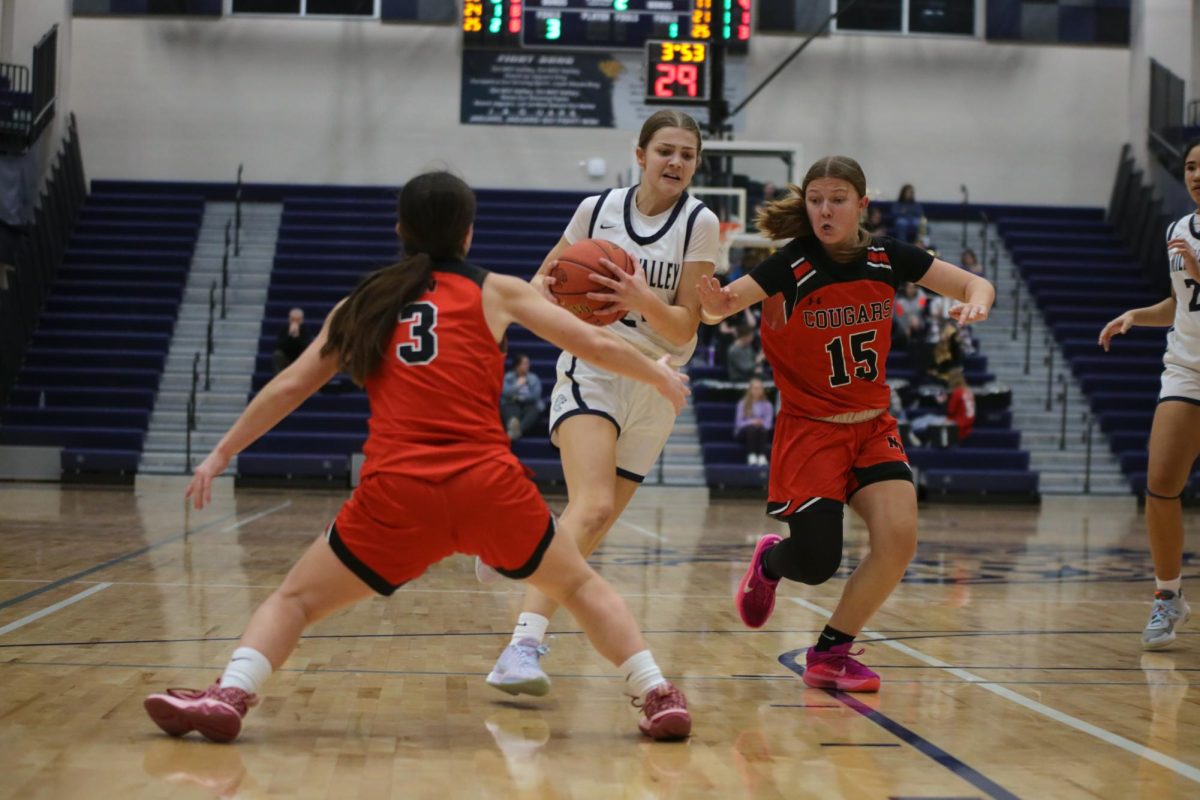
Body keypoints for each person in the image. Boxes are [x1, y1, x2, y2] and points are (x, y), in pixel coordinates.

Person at [143, 171, 693, 743]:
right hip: (487, 487)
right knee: (577, 587)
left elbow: (289, 387)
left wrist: (220, 453)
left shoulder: (368, 300)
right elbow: (595, 344)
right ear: (469, 235)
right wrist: (656, 374)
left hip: (397, 492)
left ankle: (233, 692)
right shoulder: (497, 290)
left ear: (400, 229)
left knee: (297, 600)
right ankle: (655, 692)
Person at [696, 155, 995, 692]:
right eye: (815, 200)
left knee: (899, 540)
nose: (825, 210)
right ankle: (770, 563)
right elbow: (725, 305)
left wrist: (975, 304)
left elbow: (976, 284)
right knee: (815, 563)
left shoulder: (888, 257)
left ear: (862, 205)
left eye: (837, 200)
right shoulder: (792, 264)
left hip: (873, 426)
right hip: (812, 429)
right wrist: (716, 304)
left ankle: (830, 652)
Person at [476, 109, 719, 698]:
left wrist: (637, 295)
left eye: (687, 154)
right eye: (666, 150)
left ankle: (517, 552)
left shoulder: (700, 223)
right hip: (594, 365)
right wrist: (574, 315)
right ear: (640, 155)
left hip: (658, 378)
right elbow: (540, 284)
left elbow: (687, 328)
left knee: (596, 521)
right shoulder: (596, 211)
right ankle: (522, 646)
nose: (676, 163)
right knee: (590, 507)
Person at [1098, 136, 1200, 651]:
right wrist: (1139, 315)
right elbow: (1184, 302)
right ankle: (1168, 597)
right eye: (1190, 166)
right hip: (1186, 369)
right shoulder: (1178, 230)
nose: (1197, 174)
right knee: (1161, 483)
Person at [501, 353, 544, 440]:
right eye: (525, 363)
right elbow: (505, 392)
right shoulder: (508, 377)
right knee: (510, 408)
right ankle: (513, 425)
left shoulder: (533, 378)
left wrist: (520, 398)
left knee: (534, 410)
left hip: (529, 404)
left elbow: (535, 395)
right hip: (512, 404)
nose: (527, 365)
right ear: (517, 365)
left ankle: (517, 430)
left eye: (528, 363)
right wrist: (517, 386)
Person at [735, 377, 773, 465]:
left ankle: (762, 456)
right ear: (750, 390)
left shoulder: (767, 405)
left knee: (762, 429)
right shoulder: (742, 403)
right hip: (745, 432)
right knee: (752, 428)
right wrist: (752, 422)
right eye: (755, 388)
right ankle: (751, 455)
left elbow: (768, 423)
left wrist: (761, 423)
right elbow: (738, 423)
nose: (757, 391)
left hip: (761, 431)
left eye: (760, 388)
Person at [272, 307, 310, 373]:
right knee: (277, 354)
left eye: (297, 320)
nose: (295, 322)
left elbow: (306, 346)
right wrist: (290, 336)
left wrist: (297, 337)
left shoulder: (305, 330)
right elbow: (279, 345)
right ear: (289, 319)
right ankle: (280, 378)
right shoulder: (284, 329)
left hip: (299, 358)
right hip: (286, 357)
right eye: (293, 319)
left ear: (302, 320)